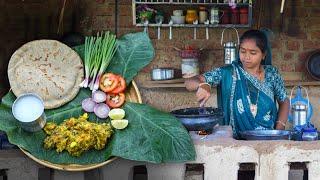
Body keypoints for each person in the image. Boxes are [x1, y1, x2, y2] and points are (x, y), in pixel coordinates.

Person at [185, 29, 289, 138]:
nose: (246, 57)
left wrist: (279, 130)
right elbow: (189, 82)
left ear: (263, 55)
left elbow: (284, 101)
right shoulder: (228, 73)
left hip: (269, 139)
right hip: (235, 142)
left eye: (253, 53)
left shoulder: (272, 74)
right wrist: (202, 85)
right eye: (243, 51)